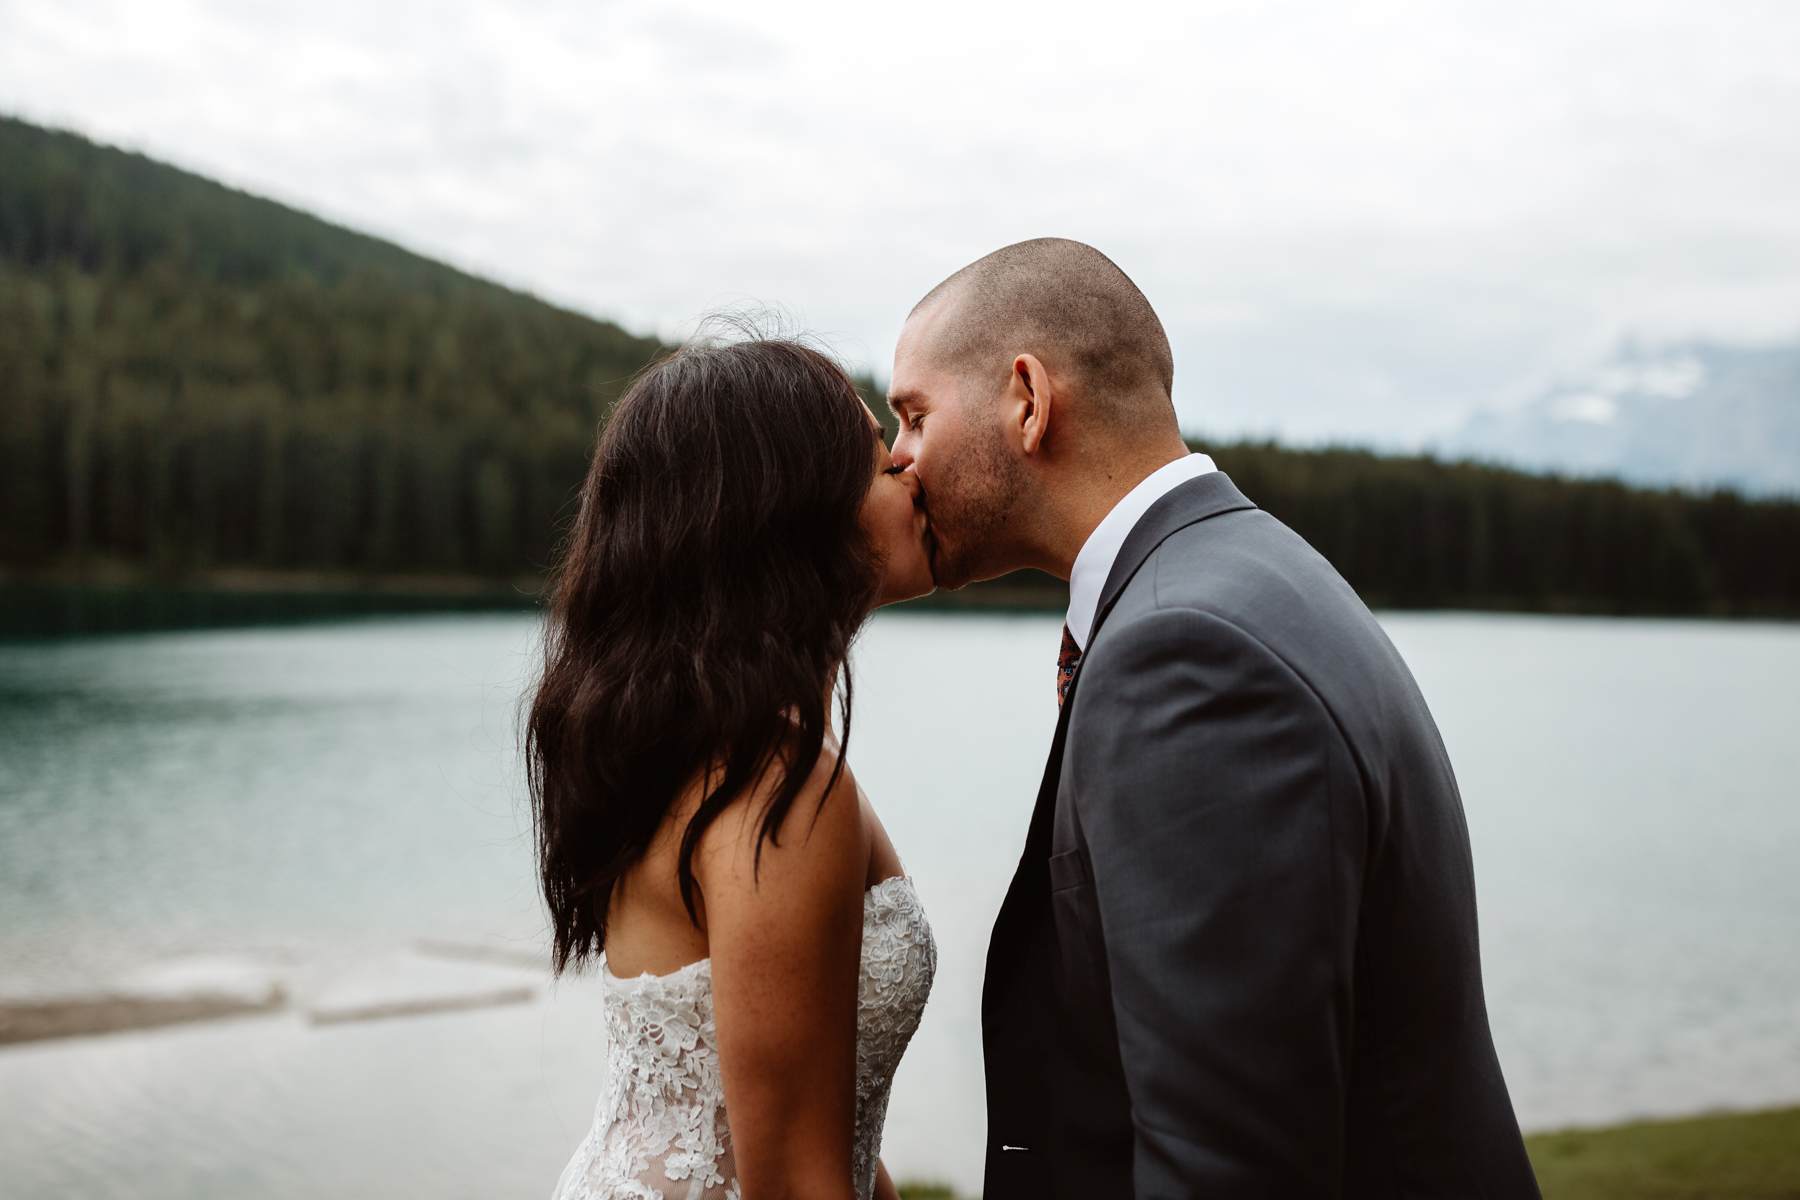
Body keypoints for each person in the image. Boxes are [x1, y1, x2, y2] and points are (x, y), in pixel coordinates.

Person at [887, 238, 1542, 1197]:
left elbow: (1226, 1161)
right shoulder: (1239, 574)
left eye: (912, 415)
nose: (898, 460)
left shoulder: (1186, 652)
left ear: (1026, 398)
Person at [528, 335, 938, 1200]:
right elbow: (792, 1183)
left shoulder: (710, 754)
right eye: (873, 460)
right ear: (788, 514)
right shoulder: (777, 788)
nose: (908, 467)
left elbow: (816, 1124)